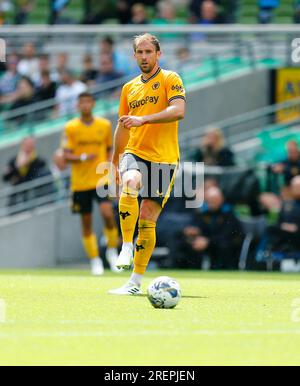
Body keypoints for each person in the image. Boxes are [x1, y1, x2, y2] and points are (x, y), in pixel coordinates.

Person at [109, 33, 186, 295]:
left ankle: (134, 283)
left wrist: (144, 120)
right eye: (139, 52)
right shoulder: (128, 88)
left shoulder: (170, 79)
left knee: (148, 219)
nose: (144, 57)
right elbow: (122, 127)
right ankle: (126, 245)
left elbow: (178, 111)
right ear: (134, 56)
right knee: (131, 181)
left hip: (165, 158)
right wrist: (113, 160)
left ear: (158, 54)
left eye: (148, 52)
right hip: (135, 151)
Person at [62, 92, 120, 276]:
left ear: (93, 104)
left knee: (108, 214)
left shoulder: (104, 125)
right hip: (80, 183)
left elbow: (110, 148)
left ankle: (112, 250)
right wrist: (83, 157)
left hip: (100, 178)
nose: (85, 105)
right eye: (82, 103)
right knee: (86, 222)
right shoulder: (71, 127)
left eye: (88, 102)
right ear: (77, 106)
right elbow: (66, 155)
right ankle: (95, 260)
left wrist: (112, 169)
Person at [179, 187, 244, 270]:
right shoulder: (203, 214)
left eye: (215, 199)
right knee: (186, 243)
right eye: (210, 199)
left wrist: (208, 242)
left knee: (224, 247)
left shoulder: (229, 215)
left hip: (224, 247)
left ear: (221, 199)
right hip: (207, 244)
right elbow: (198, 227)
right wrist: (193, 232)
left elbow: (226, 236)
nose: (212, 201)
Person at [2, 137, 49, 207]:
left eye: (31, 144)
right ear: (22, 145)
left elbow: (41, 174)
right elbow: (5, 178)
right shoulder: (14, 161)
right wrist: (18, 166)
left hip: (34, 195)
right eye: (27, 144)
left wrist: (29, 163)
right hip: (17, 198)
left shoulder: (38, 161)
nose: (29, 147)